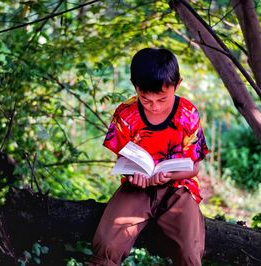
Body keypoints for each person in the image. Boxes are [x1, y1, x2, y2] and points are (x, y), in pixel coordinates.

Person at [89, 48, 209, 266]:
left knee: (190, 252)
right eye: (146, 100)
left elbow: (194, 168)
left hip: (179, 188)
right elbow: (122, 161)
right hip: (137, 189)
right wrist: (135, 176)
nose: (155, 107)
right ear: (135, 87)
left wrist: (166, 175)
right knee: (107, 246)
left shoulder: (187, 114)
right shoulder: (126, 114)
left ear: (177, 84)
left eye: (163, 99)